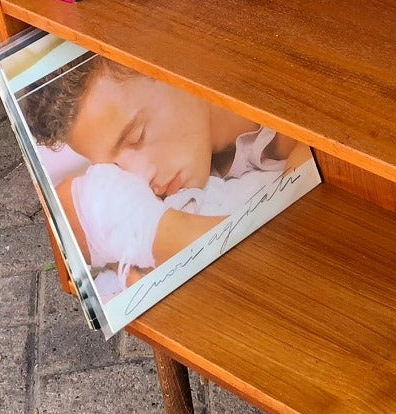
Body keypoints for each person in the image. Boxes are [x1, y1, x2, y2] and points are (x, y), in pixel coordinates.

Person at [21, 53, 299, 280]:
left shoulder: (296, 126)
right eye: (115, 167)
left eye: (136, 136)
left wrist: (157, 234)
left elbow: (294, 260)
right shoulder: (178, 184)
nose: (141, 178)